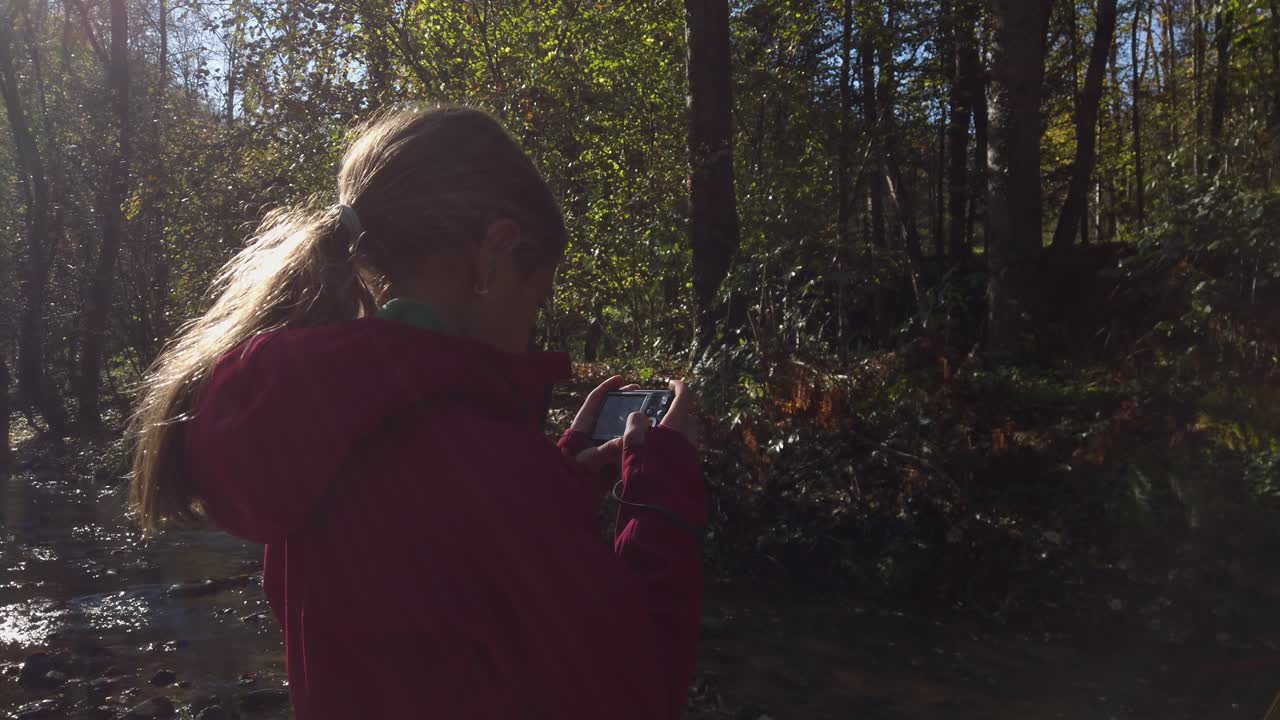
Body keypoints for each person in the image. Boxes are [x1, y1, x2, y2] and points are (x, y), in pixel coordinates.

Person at [128, 106, 707, 719]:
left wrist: (557, 479)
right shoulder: (490, 472)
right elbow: (639, 687)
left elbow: (436, 599)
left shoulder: (321, 430)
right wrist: (662, 495)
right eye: (537, 295)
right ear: (495, 254)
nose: (532, 328)